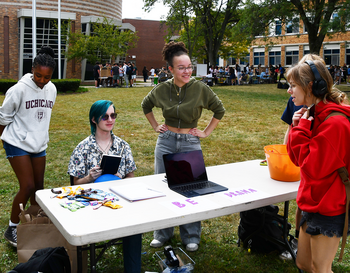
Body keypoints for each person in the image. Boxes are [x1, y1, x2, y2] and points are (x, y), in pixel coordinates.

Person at [141, 41, 225, 252]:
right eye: (181, 68)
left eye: (189, 67)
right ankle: (162, 233)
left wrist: (205, 132)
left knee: (193, 188)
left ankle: (191, 236)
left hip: (190, 142)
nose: (187, 71)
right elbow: (146, 105)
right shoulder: (161, 89)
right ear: (171, 69)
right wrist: (155, 126)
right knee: (162, 187)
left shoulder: (200, 88)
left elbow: (219, 110)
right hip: (166, 141)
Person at [286, 59, 350, 273]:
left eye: (293, 85)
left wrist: (301, 129)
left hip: (329, 206)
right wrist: (298, 127)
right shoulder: (313, 115)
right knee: (303, 263)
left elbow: (311, 167)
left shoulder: (335, 123)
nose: (289, 91)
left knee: (319, 268)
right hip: (311, 201)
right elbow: (296, 161)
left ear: (311, 86)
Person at [67, 100, 141, 273]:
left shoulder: (123, 146)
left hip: (120, 202)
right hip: (93, 205)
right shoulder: (83, 148)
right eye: (105, 116)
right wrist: (88, 178)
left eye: (113, 115)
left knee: (136, 225)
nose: (110, 120)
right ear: (94, 119)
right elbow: (73, 185)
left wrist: (120, 179)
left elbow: (131, 178)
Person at [0, 45, 57, 247]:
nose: (42, 81)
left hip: (38, 144)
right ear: (32, 70)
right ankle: (12, 228)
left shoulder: (52, 89)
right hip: (16, 142)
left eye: (47, 77)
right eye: (38, 76)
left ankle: (35, 224)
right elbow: (3, 118)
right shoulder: (18, 89)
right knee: (28, 186)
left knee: (39, 189)